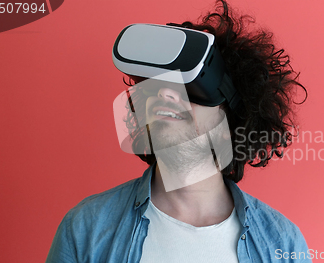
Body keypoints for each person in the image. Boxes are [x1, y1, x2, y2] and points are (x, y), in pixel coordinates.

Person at [46, 1, 310, 262]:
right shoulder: (85, 229)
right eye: (156, 85)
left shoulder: (283, 244)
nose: (166, 94)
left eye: (189, 88)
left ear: (230, 125)